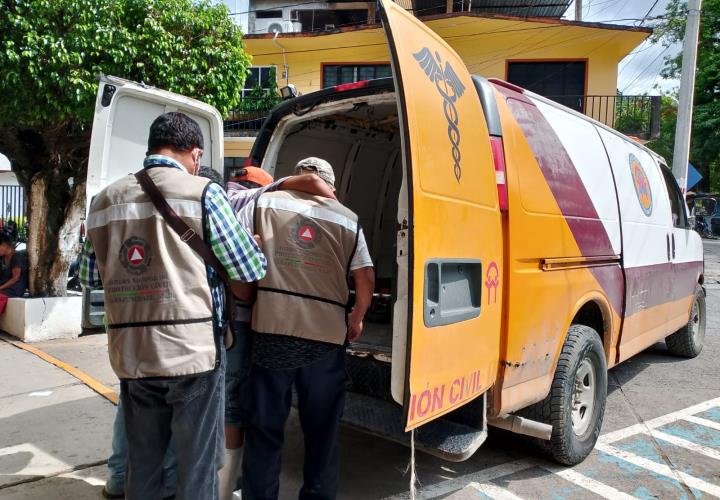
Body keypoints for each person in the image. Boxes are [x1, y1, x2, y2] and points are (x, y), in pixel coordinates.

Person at [80, 112, 267, 500]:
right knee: (196, 468)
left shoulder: (104, 200)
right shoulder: (203, 192)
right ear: (195, 154)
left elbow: (90, 278)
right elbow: (248, 267)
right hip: (192, 352)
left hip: (133, 355)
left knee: (143, 466)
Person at [241, 157, 375, 500]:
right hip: (325, 339)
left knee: (264, 430)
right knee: (323, 432)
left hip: (272, 331)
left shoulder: (266, 202)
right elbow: (365, 277)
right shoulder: (348, 219)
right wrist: (356, 316)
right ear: (331, 185)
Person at [218, 165, 337, 500]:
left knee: (257, 418)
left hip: (224, 323)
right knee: (239, 409)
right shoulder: (257, 201)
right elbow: (245, 290)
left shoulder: (216, 202)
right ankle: (226, 490)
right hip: (252, 323)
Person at [0, 233, 28, 313]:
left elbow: (16, 278)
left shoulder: (17, 257)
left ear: (4, 245)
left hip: (14, 289)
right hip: (4, 287)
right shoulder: (2, 258)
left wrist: (0, 288)